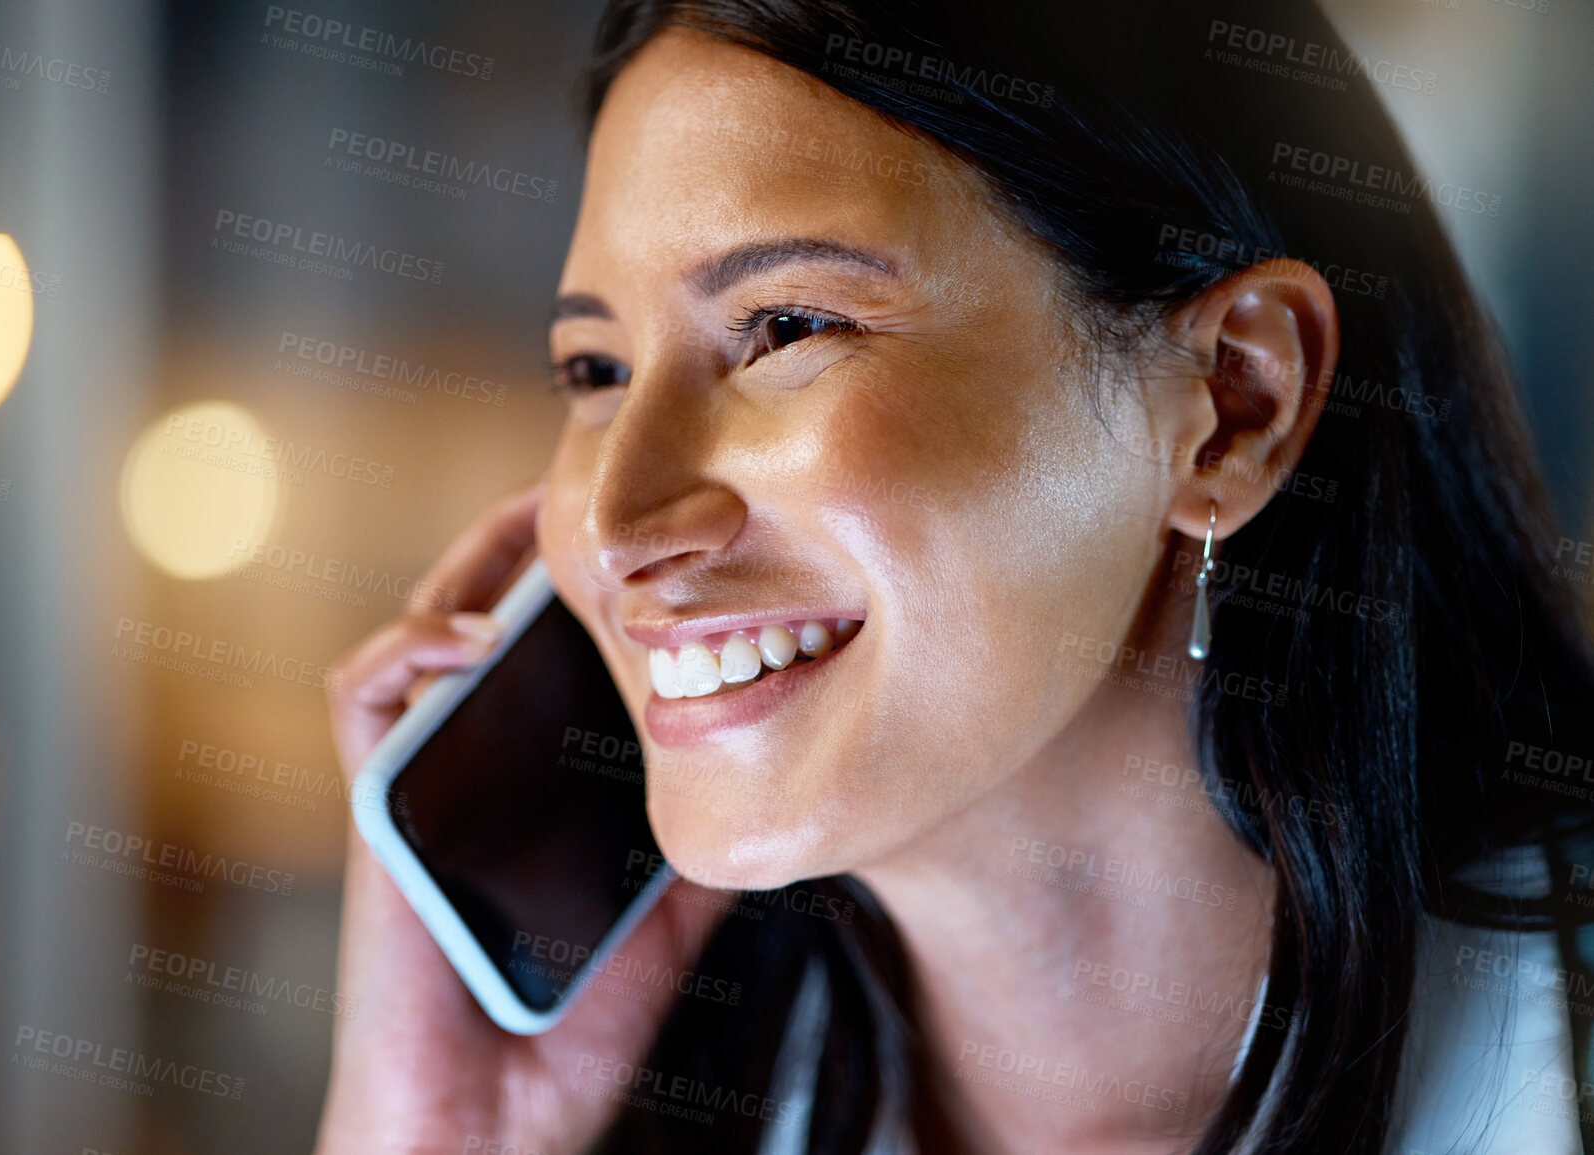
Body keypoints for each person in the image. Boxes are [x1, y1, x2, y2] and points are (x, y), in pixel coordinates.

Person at [314, 1, 1594, 1151]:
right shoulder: (643, 1102)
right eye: (595, 374)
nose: (610, 523)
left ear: (1230, 403)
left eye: (785, 330)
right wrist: (434, 1136)